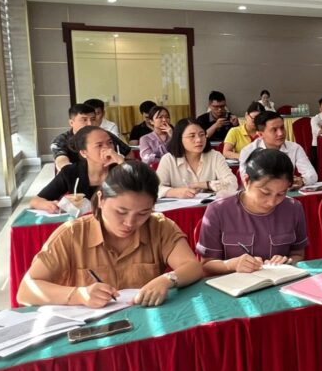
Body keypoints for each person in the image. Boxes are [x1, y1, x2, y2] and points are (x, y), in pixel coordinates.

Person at [17, 161, 204, 308]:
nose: (130, 222)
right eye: (121, 212)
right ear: (101, 200)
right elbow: (26, 290)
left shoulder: (159, 227)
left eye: (143, 213)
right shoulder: (72, 234)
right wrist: (79, 295)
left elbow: (192, 267)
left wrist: (167, 279)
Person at [196, 149, 308, 272]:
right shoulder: (218, 211)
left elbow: (298, 254)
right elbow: (206, 264)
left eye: (281, 193)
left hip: (279, 280)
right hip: (234, 282)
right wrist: (231, 265)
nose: (272, 202)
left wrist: (287, 262)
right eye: (265, 192)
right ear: (246, 181)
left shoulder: (293, 208)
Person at [31, 126, 126, 213]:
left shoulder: (122, 167)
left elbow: (135, 189)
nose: (108, 148)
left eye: (110, 143)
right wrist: (48, 205)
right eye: (99, 145)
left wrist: (122, 163)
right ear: (84, 153)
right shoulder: (71, 172)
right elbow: (36, 201)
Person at [156, 119, 238, 199]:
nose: (199, 140)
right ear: (179, 139)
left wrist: (205, 184)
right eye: (192, 136)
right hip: (179, 207)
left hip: (209, 206)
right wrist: (175, 192)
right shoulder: (168, 160)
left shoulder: (215, 156)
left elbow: (232, 184)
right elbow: (156, 188)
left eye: (202, 135)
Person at [239, 111, 317, 188]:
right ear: (260, 134)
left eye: (282, 128)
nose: (281, 133)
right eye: (274, 130)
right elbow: (247, 182)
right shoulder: (248, 152)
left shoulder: (295, 148)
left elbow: (312, 175)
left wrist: (302, 181)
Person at [51, 103, 129, 170]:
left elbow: (128, 154)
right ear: (71, 123)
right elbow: (62, 161)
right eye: (84, 120)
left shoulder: (105, 135)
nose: (90, 124)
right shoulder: (61, 140)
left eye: (93, 119)